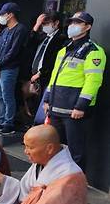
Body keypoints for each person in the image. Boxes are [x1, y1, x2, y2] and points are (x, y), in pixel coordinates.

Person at [43, 11, 106, 170]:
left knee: (75, 151)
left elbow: (94, 81)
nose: (72, 26)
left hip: (73, 112)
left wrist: (80, 106)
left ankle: (74, 186)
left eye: (77, 23)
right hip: (56, 108)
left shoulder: (94, 51)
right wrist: (47, 99)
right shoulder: (64, 50)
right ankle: (55, 180)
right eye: (71, 22)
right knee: (55, 149)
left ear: (88, 26)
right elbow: (54, 77)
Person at [0, 2, 29, 135]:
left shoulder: (20, 29)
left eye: (3, 14)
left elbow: (13, 52)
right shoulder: (5, 31)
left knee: (7, 96)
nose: (1, 17)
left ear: (10, 14)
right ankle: (1, 120)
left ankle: (8, 122)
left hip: (10, 68)